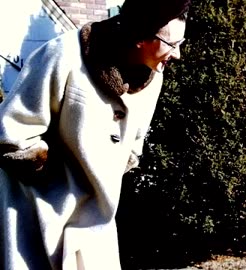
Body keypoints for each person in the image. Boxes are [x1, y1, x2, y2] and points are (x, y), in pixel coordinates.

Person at [0, 0, 191, 269]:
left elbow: (133, 143)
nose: (178, 54)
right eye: (173, 44)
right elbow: (13, 133)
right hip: (37, 217)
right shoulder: (63, 54)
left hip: (95, 222)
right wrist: (58, 182)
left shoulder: (153, 78)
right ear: (141, 36)